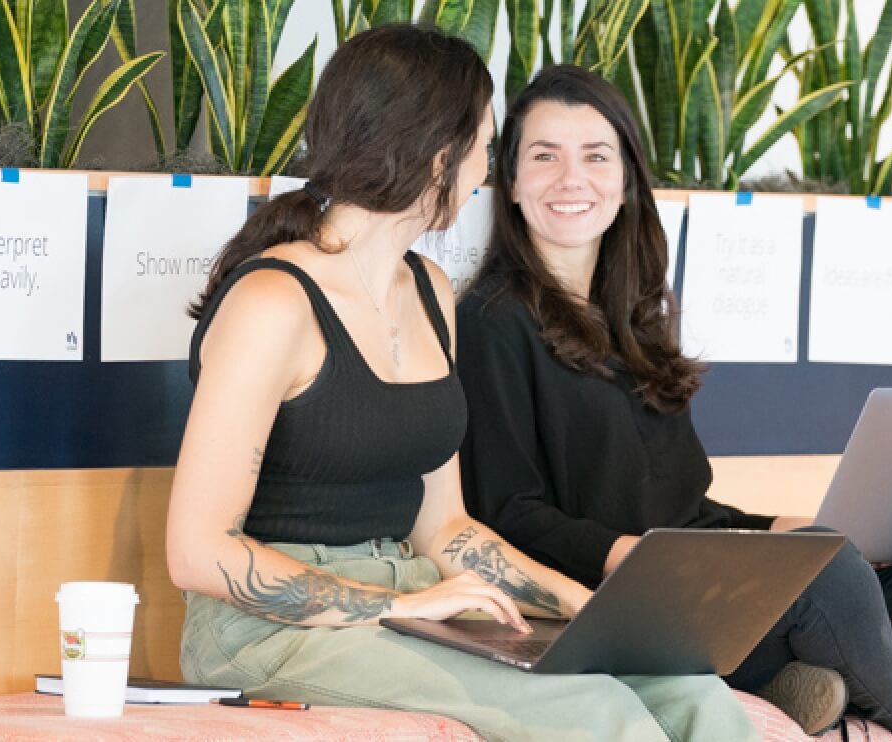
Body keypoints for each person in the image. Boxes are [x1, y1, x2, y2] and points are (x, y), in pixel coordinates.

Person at [457, 64, 892, 741]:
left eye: (595, 156)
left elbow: (687, 513)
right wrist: (635, 555)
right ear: (514, 181)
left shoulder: (633, 320)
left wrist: (775, 530)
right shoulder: (493, 322)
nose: (570, 178)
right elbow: (506, 513)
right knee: (828, 576)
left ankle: (848, 682)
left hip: (709, 583)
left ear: (625, 180)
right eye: (544, 156)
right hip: (624, 607)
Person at [167, 27, 761, 742]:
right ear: (435, 154)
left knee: (691, 691)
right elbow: (198, 552)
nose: (487, 170)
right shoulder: (273, 302)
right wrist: (391, 605)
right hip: (266, 633)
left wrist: (584, 607)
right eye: (484, 145)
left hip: (412, 591)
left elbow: (443, 527)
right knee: (600, 718)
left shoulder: (430, 290)